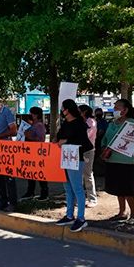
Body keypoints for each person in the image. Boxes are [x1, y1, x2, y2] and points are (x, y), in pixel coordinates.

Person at [55, 99, 93, 233]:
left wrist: (66, 141)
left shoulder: (79, 123)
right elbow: (58, 137)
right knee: (68, 188)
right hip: (65, 158)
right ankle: (69, 215)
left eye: (63, 108)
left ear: (68, 109)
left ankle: (81, 218)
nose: (62, 111)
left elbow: (82, 141)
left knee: (77, 188)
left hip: (76, 159)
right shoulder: (65, 123)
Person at [101, 99, 134, 224]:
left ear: (125, 110)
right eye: (114, 107)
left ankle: (133, 213)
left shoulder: (131, 123)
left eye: (117, 107)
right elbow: (106, 138)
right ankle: (122, 211)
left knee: (127, 189)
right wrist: (104, 148)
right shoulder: (112, 123)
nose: (115, 109)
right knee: (118, 188)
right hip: (112, 159)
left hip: (126, 161)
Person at [20, 106, 49, 201]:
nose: (30, 115)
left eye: (32, 113)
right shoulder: (33, 124)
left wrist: (29, 136)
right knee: (30, 173)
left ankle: (44, 193)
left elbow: (41, 139)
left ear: (36, 115)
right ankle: (30, 191)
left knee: (40, 173)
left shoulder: (39, 125)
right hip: (31, 152)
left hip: (37, 152)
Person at [79, 105, 97, 207]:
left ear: (84, 111)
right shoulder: (79, 121)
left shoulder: (91, 122)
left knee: (87, 173)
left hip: (88, 151)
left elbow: (86, 135)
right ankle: (80, 198)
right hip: (78, 150)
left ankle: (92, 198)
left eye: (79, 110)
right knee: (79, 174)